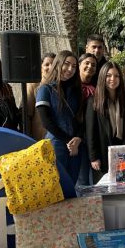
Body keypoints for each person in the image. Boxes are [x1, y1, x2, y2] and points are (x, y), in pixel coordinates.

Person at [36, 51, 83, 192]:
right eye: (66, 64)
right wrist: (69, 140)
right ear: (58, 64)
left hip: (76, 147)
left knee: (71, 187)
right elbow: (46, 122)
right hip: (56, 145)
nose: (70, 69)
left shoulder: (76, 91)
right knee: (56, 189)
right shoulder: (45, 89)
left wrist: (78, 139)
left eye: (74, 66)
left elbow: (80, 119)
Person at [86, 62, 125, 182]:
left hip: (123, 150)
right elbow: (91, 131)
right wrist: (93, 157)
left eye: (117, 76)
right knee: (105, 190)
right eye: (109, 75)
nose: (113, 79)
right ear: (102, 77)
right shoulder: (94, 101)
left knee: (124, 186)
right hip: (103, 151)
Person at [77, 53, 98, 185]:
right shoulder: (70, 86)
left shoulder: (96, 88)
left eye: (93, 65)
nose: (90, 66)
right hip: (74, 138)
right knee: (80, 178)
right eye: (87, 63)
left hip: (90, 138)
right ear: (79, 65)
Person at [26, 52, 55, 140]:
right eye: (46, 64)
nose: (50, 67)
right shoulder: (33, 85)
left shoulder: (61, 85)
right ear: (41, 67)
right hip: (38, 137)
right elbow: (27, 114)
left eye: (53, 65)